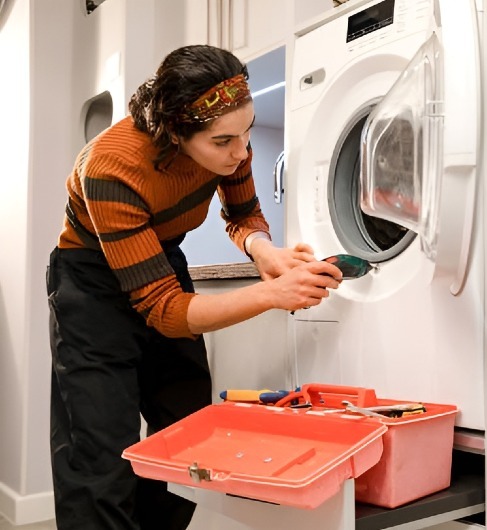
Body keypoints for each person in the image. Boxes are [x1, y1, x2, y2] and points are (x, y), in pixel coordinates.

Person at [46, 44, 342, 530]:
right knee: (98, 449)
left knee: (186, 431)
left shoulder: (231, 136)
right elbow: (164, 310)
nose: (242, 151)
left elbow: (243, 213)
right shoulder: (109, 167)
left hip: (163, 260)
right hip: (89, 282)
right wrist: (271, 295)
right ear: (176, 133)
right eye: (223, 141)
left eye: (247, 131)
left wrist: (266, 253)